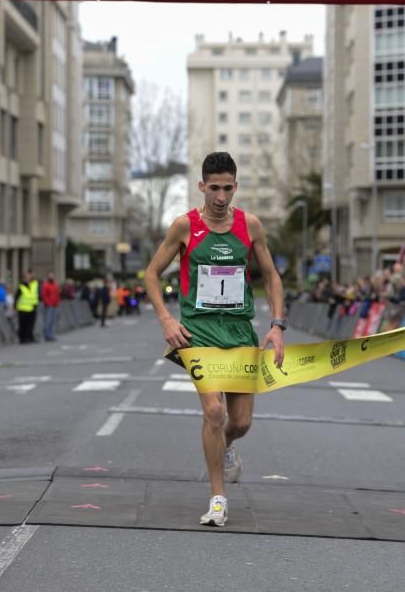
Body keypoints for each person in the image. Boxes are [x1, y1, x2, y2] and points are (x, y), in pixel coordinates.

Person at [146, 152, 286, 528]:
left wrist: (277, 325)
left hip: (240, 331)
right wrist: (165, 319)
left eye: (228, 188)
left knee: (239, 422)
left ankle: (225, 446)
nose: (221, 197)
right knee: (213, 411)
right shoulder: (184, 227)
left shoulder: (250, 226)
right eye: (214, 188)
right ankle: (218, 498)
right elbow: (151, 274)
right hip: (199, 332)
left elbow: (271, 276)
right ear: (202, 186)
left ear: (235, 187)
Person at [14, 270, 36, 344]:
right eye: (27, 277)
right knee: (22, 325)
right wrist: (15, 306)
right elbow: (16, 297)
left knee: (30, 325)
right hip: (23, 309)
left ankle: (29, 337)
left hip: (31, 308)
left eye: (29, 276)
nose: (29, 278)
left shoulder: (32, 285)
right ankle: (22, 338)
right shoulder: (21, 286)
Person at [42, 271, 60, 341]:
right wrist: (48, 303)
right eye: (50, 275)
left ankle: (51, 334)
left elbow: (57, 294)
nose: (51, 276)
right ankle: (47, 335)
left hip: (55, 305)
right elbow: (44, 295)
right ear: (48, 276)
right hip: (49, 305)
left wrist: (57, 303)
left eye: (52, 275)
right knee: (48, 321)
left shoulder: (55, 284)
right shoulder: (46, 285)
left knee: (52, 321)